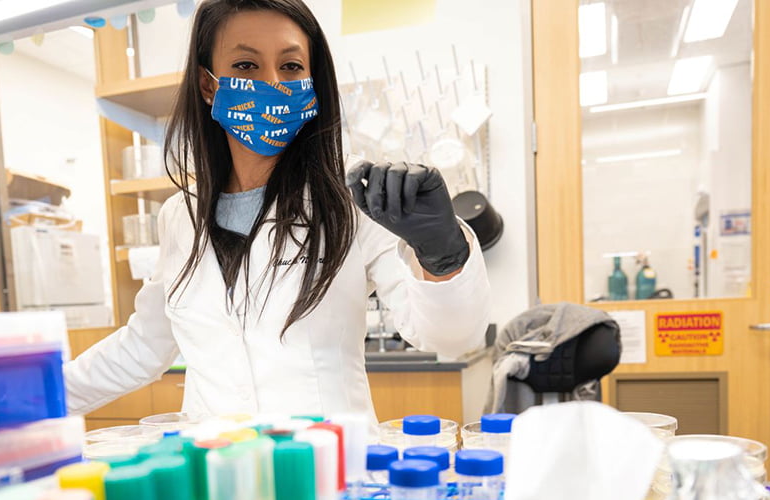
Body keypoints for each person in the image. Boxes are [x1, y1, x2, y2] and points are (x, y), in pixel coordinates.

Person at [65, 0, 491, 420]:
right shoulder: (180, 216)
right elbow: (143, 347)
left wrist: (442, 251)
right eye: (247, 67)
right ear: (208, 84)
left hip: (325, 473)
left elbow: (451, 337)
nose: (273, 84)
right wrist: (29, 398)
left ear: (312, 79)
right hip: (219, 471)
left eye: (290, 67)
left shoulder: (350, 203)